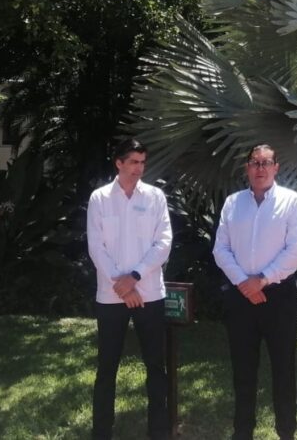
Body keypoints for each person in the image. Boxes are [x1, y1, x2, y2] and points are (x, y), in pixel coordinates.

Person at [213, 144, 297, 440]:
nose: (260, 168)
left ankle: (286, 433)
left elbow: (296, 251)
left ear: (276, 167)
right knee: (243, 372)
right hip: (241, 297)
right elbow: (221, 248)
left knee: (283, 371)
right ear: (247, 168)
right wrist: (245, 282)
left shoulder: (291, 202)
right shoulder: (233, 203)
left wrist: (262, 280)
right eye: (255, 163)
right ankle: (242, 433)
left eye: (266, 162)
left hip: (279, 298)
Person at [86, 138, 173, 440]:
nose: (139, 168)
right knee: (107, 367)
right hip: (110, 296)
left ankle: (159, 431)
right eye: (133, 162)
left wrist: (134, 277)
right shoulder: (99, 199)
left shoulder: (155, 197)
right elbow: (96, 247)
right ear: (119, 163)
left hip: (149, 293)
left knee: (155, 366)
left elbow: (163, 243)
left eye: (142, 162)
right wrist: (121, 285)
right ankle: (101, 432)